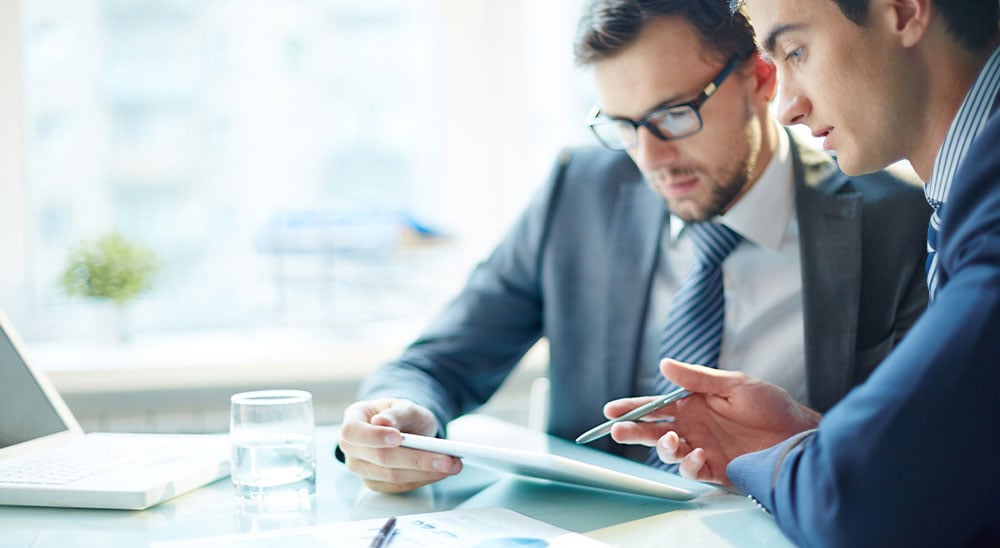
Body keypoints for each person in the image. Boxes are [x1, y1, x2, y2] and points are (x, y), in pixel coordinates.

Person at [336, 0, 929, 495]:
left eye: (674, 115)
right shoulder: (582, 192)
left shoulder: (894, 221)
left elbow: (921, 448)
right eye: (623, 125)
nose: (651, 160)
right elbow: (440, 360)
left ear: (760, 79)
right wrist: (394, 416)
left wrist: (805, 440)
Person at [606, 0, 1000, 544]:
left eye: (796, 51)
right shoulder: (964, 197)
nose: (786, 107)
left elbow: (859, 501)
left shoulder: (984, 206)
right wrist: (813, 440)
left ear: (906, 11)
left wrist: (796, 461)